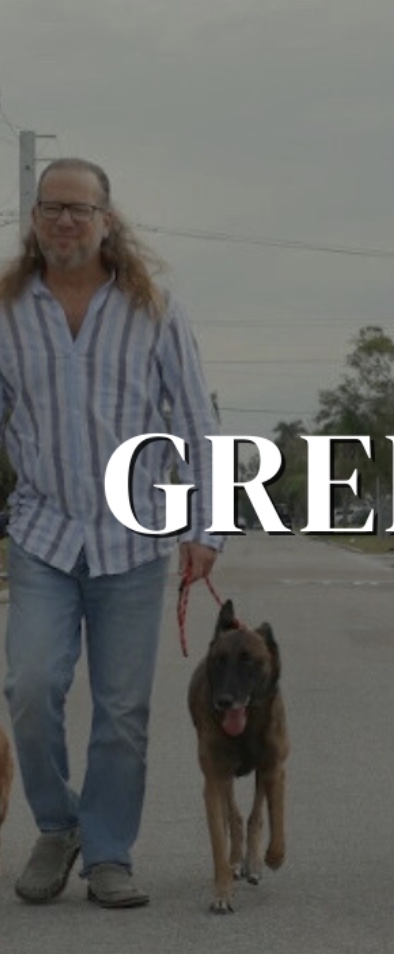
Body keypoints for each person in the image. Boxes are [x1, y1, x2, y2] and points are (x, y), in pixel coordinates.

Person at [0, 158, 223, 907]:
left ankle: (108, 854)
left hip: (134, 539)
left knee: (122, 711)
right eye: (51, 208)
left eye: (80, 209)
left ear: (106, 220)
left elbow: (194, 419)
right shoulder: (6, 308)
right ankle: (57, 826)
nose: (65, 221)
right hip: (42, 533)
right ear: (33, 219)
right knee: (31, 688)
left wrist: (204, 526)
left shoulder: (152, 307)